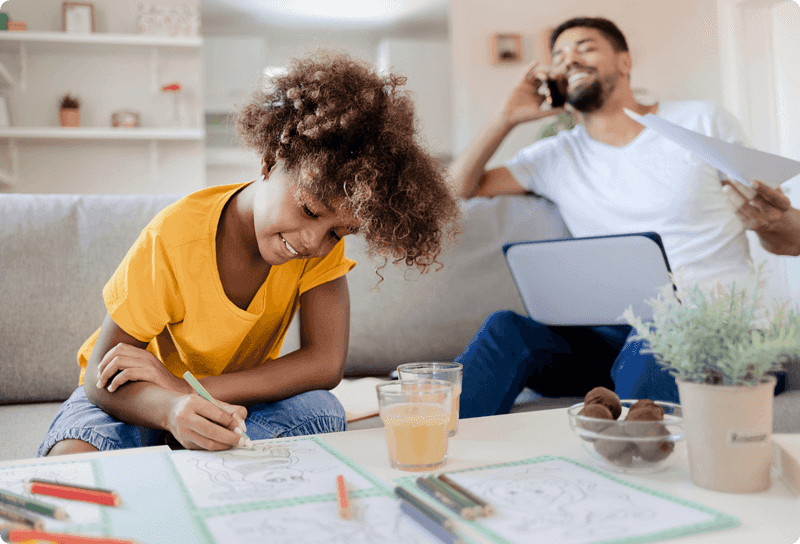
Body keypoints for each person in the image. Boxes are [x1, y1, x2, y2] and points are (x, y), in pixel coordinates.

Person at [40, 51, 459, 456]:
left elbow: (325, 363)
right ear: (270, 160)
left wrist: (189, 391)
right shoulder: (175, 235)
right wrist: (169, 407)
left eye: (339, 231)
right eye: (309, 210)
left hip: (223, 397)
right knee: (75, 448)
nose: (314, 242)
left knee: (321, 411)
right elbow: (101, 377)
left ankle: (201, 451)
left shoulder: (321, 248)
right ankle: (196, 449)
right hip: (134, 399)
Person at [449, 16, 799, 418]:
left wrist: (772, 221)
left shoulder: (700, 121)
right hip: (608, 336)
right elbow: (455, 188)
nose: (569, 60)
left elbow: (789, 240)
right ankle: (435, 457)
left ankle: (632, 444)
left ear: (625, 62)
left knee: (655, 337)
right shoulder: (554, 156)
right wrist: (503, 118)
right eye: (559, 55)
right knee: (504, 329)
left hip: (708, 327)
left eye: (585, 47)